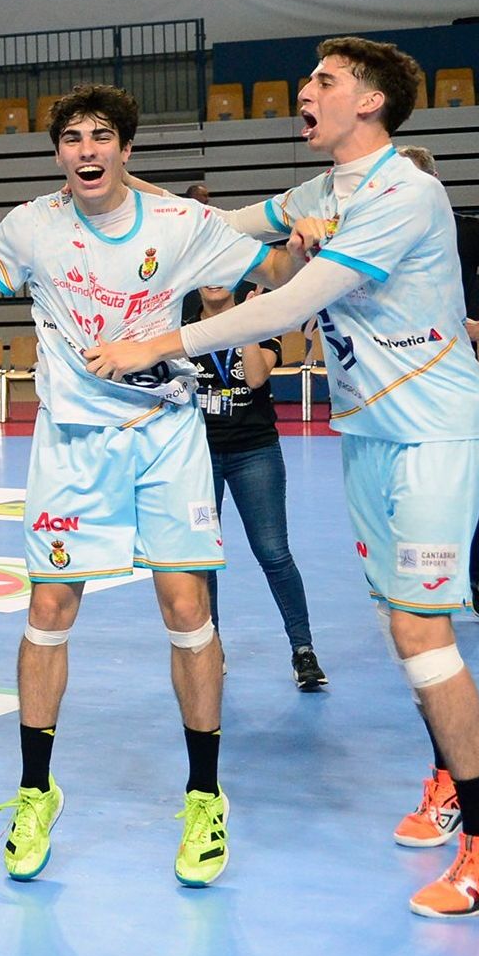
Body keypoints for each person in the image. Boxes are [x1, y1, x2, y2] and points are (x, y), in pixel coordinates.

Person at [86, 37, 479, 917]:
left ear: (370, 101)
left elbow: (289, 302)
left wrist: (157, 342)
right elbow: (218, 225)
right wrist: (118, 192)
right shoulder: (321, 192)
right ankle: (450, 776)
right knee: (403, 624)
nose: (305, 89)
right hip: (366, 429)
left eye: (325, 80)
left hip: (433, 427)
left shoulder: (406, 192)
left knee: (420, 628)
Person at [0, 83, 282, 889]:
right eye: (73, 138)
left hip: (165, 433)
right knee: (49, 609)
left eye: (101, 136)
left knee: (186, 607)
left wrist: (310, 229)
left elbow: (285, 270)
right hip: (74, 445)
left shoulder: (180, 224)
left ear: (126, 149)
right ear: (59, 153)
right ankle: (35, 790)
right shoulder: (32, 225)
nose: (86, 149)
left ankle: (204, 795)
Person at [397, 146, 479, 620]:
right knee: (401, 479)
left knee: (474, 477)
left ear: (434, 184)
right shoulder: (375, 234)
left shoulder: (466, 231)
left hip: (452, 373)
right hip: (392, 378)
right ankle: (415, 581)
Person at [182, 282, 327, 690]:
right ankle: (209, 646)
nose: (215, 282)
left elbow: (257, 377)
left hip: (255, 451)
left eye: (223, 275)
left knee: (274, 553)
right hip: (199, 456)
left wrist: (246, 323)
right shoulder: (186, 329)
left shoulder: (262, 321)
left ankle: (303, 649)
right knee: (203, 557)